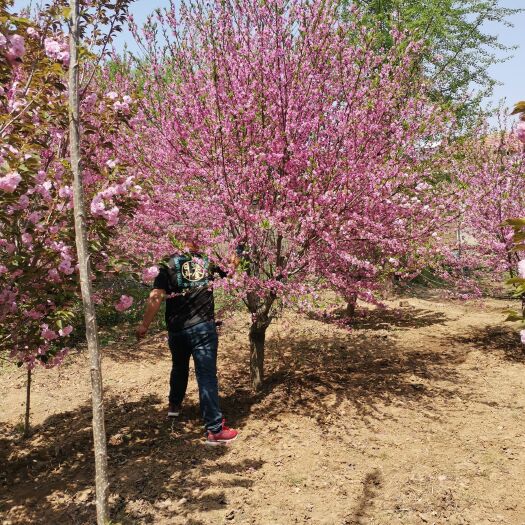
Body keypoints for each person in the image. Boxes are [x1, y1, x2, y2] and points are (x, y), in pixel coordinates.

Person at [136, 241, 238, 446]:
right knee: (206, 376)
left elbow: (156, 296)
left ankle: (174, 406)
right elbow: (231, 271)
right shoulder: (207, 260)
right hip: (202, 328)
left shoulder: (168, 264)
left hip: (177, 329)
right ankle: (214, 430)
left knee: (179, 367)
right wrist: (237, 253)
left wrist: (144, 325)